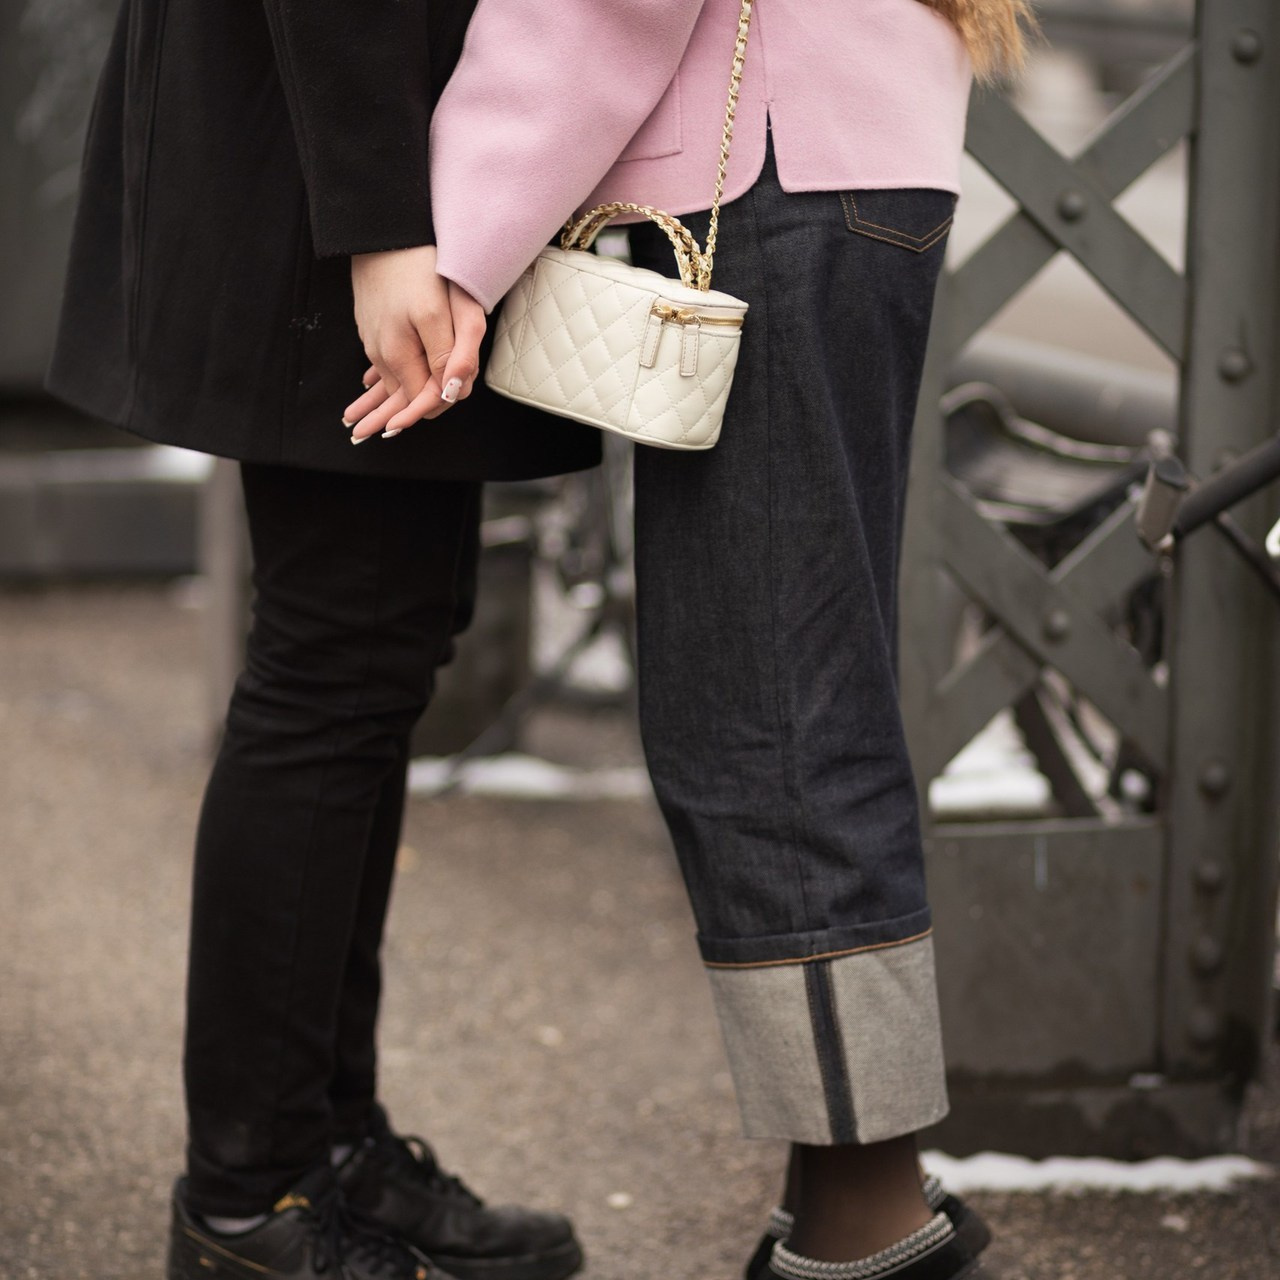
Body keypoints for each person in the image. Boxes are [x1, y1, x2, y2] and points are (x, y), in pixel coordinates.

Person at [351, 1, 1032, 1277]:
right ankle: (845, 1203)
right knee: (794, 684)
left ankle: (872, 1223)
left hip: (774, 166)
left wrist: (455, 236)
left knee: (769, 714)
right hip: (838, 147)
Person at [46, 3, 600, 1278]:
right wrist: (382, 216)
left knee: (378, 645)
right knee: (338, 655)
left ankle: (322, 1144)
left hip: (365, 154)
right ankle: (254, 1198)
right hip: (345, 168)